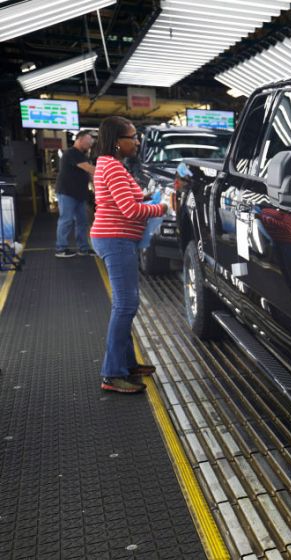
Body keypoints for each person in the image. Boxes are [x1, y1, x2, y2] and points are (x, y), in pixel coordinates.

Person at [90, 116, 168, 394]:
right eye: (132, 137)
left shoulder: (112, 165)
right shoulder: (112, 167)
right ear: (116, 142)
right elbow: (130, 211)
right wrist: (162, 209)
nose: (136, 141)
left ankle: (127, 364)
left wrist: (148, 198)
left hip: (116, 238)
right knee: (124, 306)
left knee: (128, 304)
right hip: (115, 239)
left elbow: (129, 201)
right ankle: (112, 374)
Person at [55, 129, 96, 258]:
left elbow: (89, 174)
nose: (90, 145)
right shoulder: (72, 153)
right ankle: (61, 248)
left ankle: (83, 248)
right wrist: (108, 171)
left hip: (79, 194)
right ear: (79, 140)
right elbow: (89, 169)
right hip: (67, 192)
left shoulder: (83, 155)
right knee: (66, 220)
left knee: (82, 222)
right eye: (89, 142)